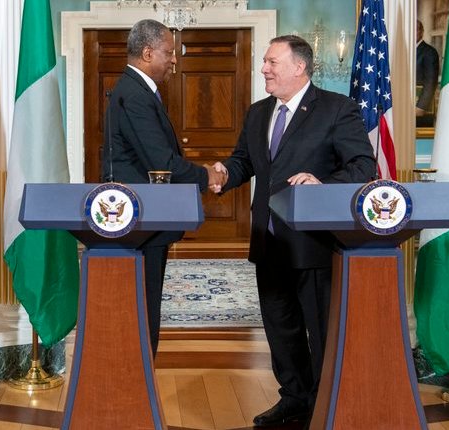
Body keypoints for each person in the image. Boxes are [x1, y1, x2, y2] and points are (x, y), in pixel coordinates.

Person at [210, 35, 376, 427]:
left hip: (312, 243)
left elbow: (362, 166)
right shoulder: (257, 113)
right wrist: (222, 174)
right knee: (280, 328)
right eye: (265, 62)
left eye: (272, 62)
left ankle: (326, 404)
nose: (264, 69)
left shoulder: (337, 109)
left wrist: (322, 183)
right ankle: (295, 398)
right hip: (268, 240)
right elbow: (244, 162)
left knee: (320, 329)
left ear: (299, 67)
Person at [101, 19, 225, 357]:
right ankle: (138, 373)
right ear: (147, 53)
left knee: (145, 304)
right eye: (169, 52)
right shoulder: (135, 95)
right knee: (143, 306)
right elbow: (162, 163)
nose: (174, 60)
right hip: (141, 221)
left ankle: (140, 373)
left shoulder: (137, 91)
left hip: (145, 219)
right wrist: (207, 176)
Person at [416, 20, 440, 126]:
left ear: (421, 32)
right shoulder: (405, 51)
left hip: (421, 111)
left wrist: (420, 107)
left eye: (415, 30)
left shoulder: (429, 52)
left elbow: (431, 82)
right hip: (406, 105)